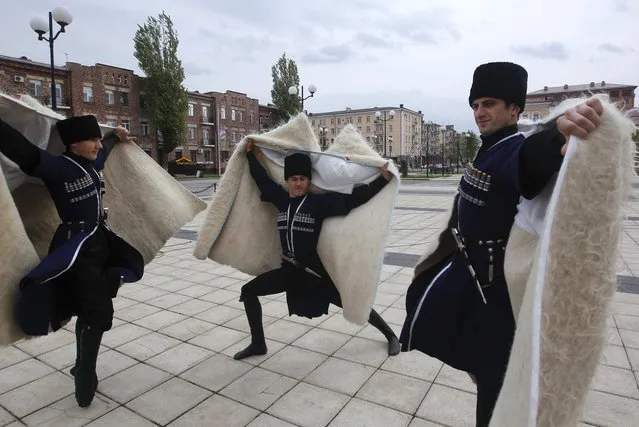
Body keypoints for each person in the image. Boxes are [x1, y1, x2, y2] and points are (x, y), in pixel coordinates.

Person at [399, 62, 604, 427]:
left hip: (495, 295)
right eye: (475, 104)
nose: (480, 112)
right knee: (429, 316)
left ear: (514, 109)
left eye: (489, 103)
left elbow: (530, 159)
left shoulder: (512, 146)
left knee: (494, 392)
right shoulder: (489, 146)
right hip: (470, 278)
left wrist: (558, 134)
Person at [0, 115, 144, 408]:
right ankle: (85, 375)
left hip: (99, 243)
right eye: (91, 140)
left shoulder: (91, 163)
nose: (96, 145)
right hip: (76, 248)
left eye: (96, 139)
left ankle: (80, 364)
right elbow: (23, 152)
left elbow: (104, 149)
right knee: (100, 314)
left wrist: (115, 135)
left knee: (88, 309)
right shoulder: (58, 167)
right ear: (73, 144)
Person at [233, 141, 401, 360]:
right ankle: (258, 344)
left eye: (303, 179)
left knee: (352, 303)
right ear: (287, 181)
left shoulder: (318, 204)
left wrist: (383, 180)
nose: (299, 183)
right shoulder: (282, 200)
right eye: (294, 179)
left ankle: (391, 336)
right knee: (248, 291)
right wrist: (249, 155)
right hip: (289, 271)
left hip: (314, 274)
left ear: (308, 181)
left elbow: (354, 199)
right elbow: (262, 180)